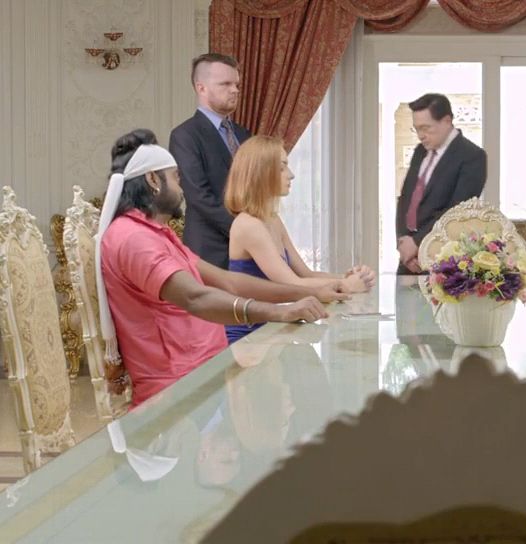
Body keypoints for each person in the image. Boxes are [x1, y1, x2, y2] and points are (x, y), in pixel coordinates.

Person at [97, 129, 346, 407]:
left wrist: (306, 293)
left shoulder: (155, 233)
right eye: (176, 178)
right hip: (183, 390)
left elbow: (228, 281)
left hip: (212, 367)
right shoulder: (135, 239)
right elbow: (196, 297)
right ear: (153, 180)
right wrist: (279, 311)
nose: (182, 188)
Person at [223, 135, 376, 342]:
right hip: (249, 335)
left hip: (272, 328)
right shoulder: (248, 225)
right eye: (282, 168)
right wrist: (346, 285)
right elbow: (292, 284)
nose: (291, 175)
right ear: (261, 173)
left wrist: (346, 277)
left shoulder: (272, 219)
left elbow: (305, 273)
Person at [170, 53, 250, 269]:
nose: (235, 90)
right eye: (225, 84)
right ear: (201, 88)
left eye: (236, 84)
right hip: (209, 250)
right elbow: (198, 196)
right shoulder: (184, 135)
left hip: (251, 249)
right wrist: (244, 231)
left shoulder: (244, 134)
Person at [395, 93, 486, 274]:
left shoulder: (472, 156)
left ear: (446, 121)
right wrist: (404, 243)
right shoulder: (420, 151)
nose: (421, 136)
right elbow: (406, 200)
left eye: (426, 128)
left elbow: (457, 212)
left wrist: (418, 243)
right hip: (408, 261)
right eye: (416, 129)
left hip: (443, 262)